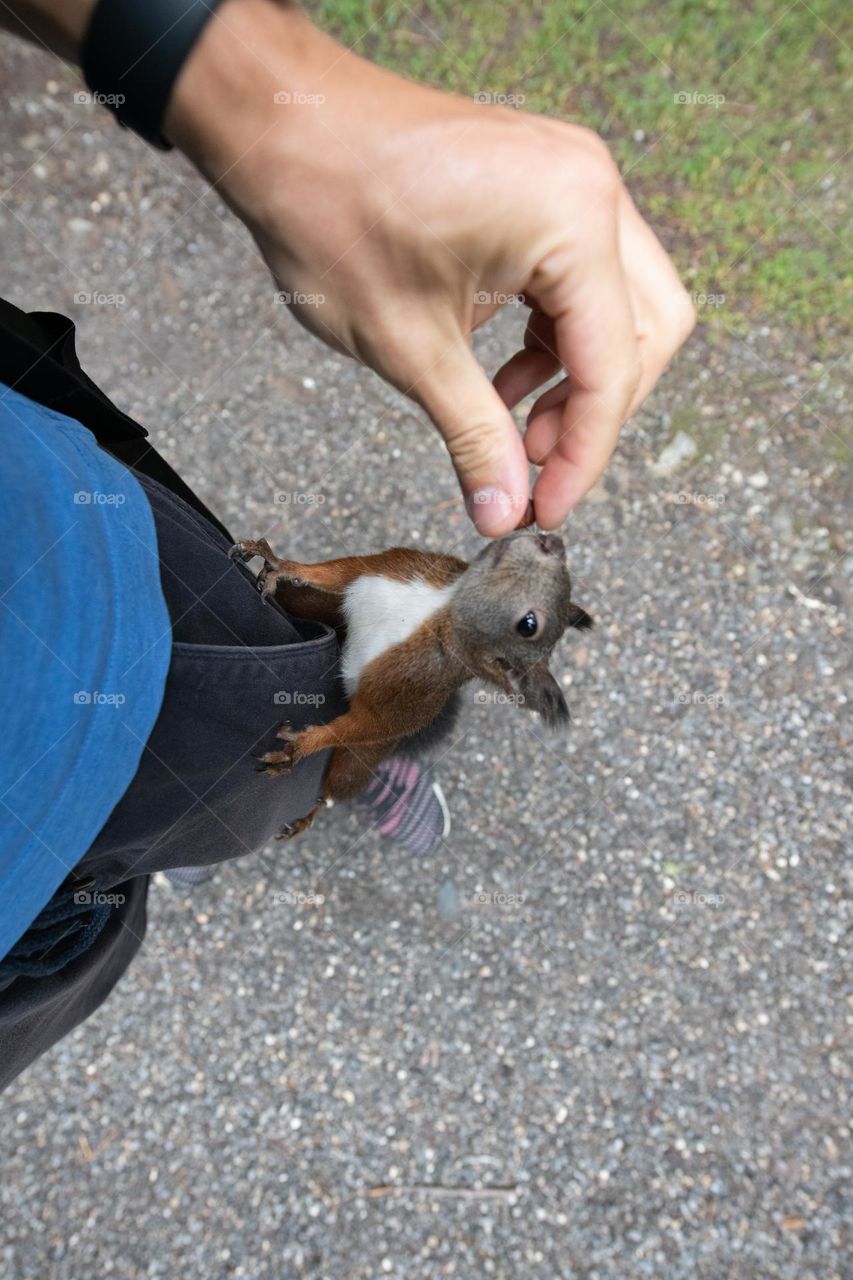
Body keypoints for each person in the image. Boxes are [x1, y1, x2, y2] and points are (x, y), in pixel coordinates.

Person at [0, 0, 694, 1088]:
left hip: (74, 568)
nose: (542, 551)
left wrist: (244, 90)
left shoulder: (444, 632)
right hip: (41, 802)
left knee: (266, 704)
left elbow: (360, 649)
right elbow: (367, 578)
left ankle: (287, 793)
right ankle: (182, 824)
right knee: (218, 776)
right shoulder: (437, 593)